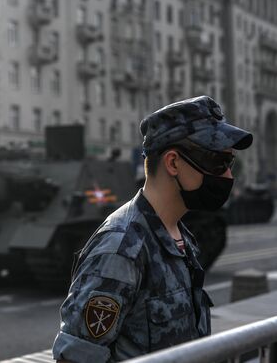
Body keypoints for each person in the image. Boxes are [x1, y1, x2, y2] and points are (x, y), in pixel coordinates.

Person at [52, 95, 253, 362]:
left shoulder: (180, 234)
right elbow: (76, 357)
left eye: (230, 164)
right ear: (172, 163)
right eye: (219, 163)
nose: (228, 176)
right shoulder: (122, 248)